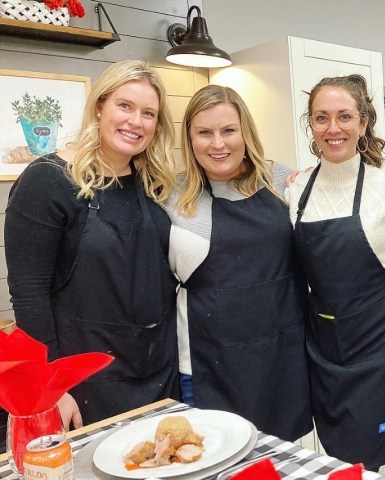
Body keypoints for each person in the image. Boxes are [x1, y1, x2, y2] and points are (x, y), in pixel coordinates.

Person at [4, 60, 179, 427]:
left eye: (148, 113)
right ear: (100, 106)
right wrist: (52, 389)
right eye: (125, 106)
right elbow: (28, 294)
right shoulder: (47, 181)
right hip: (83, 382)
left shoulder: (154, 182)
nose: (136, 121)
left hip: (158, 371)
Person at [166, 84, 312, 441]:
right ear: (189, 138)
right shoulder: (169, 194)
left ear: (245, 131)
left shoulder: (282, 180)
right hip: (206, 364)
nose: (218, 144)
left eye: (229, 130)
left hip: (281, 357)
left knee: (278, 465)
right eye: (204, 132)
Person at [285, 74, 385, 471]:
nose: (333, 128)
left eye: (344, 116)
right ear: (311, 125)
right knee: (335, 453)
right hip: (322, 344)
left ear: (363, 123)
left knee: (368, 454)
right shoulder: (295, 189)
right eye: (321, 118)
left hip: (379, 342)